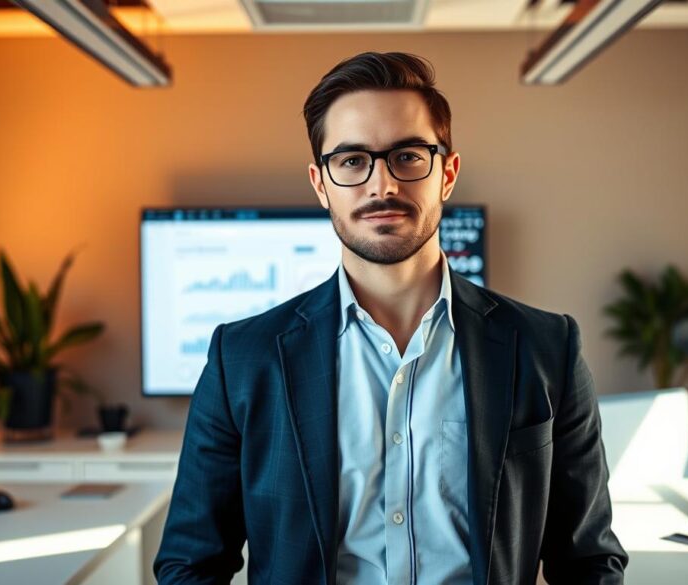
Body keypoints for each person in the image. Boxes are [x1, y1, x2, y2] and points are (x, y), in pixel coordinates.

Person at [155, 51, 627, 585]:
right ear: (320, 183)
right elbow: (190, 564)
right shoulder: (242, 359)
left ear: (447, 174)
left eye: (407, 156)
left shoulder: (546, 348)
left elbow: (589, 561)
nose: (382, 185)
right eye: (353, 161)